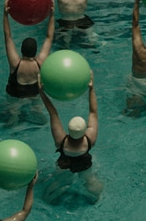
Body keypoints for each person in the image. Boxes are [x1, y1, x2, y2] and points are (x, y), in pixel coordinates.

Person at [38, 72, 103, 203]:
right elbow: (93, 112)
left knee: (59, 181)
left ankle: (53, 195)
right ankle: (96, 198)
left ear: (68, 129)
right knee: (91, 181)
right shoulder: (90, 139)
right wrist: (91, 88)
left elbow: (53, 113)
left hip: (63, 166)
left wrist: (41, 92)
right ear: (84, 130)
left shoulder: (60, 141)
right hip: (84, 166)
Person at [1, 2, 56, 120]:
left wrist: (5, 15)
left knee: (13, 114)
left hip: (15, 94)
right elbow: (49, 37)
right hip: (35, 93)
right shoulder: (40, 62)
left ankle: (14, 120)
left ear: (21, 50)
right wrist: (52, 15)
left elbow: (8, 37)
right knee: (37, 110)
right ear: (36, 51)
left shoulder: (15, 63)